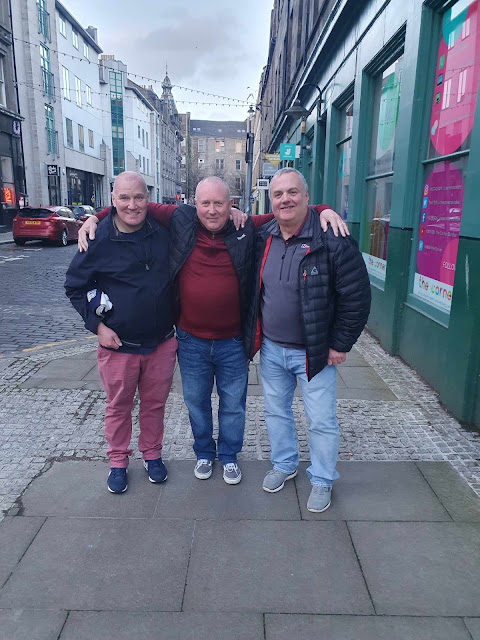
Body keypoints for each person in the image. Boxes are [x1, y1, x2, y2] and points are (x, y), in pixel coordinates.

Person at [78, 176, 348, 485]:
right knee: (196, 403)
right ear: (194, 205)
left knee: (233, 405)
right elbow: (135, 204)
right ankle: (204, 453)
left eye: (219, 203)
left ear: (231, 204)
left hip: (233, 341)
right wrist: (95, 217)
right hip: (190, 339)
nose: (211, 210)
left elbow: (285, 210)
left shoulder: (245, 226)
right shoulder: (180, 218)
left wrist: (323, 209)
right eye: (205, 203)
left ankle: (229, 456)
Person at [245, 168, 371, 512]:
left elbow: (356, 297)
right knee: (275, 412)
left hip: (314, 352)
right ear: (270, 201)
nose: (285, 199)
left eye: (292, 192)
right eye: (277, 194)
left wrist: (340, 344)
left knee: (321, 420)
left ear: (306, 196)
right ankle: (284, 464)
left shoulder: (332, 238)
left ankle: (322, 478)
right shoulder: (263, 236)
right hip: (272, 350)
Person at [65, 172, 177, 493]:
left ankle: (152, 454)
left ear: (148, 199)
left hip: (161, 342)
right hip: (118, 345)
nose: (132, 205)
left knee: (154, 405)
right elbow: (74, 286)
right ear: (112, 199)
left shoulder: (164, 233)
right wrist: (97, 327)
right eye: (124, 198)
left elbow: (209, 216)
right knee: (118, 406)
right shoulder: (96, 239)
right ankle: (117, 461)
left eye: (138, 197)